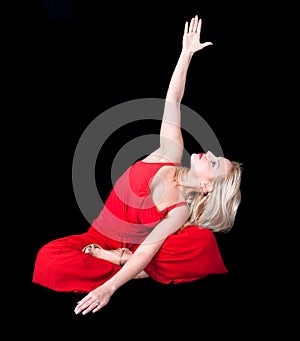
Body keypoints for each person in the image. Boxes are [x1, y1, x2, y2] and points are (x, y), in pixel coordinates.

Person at [32, 15, 242, 315]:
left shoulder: (180, 209)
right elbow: (174, 98)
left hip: (127, 252)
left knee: (194, 244)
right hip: (96, 239)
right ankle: (121, 264)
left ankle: (122, 266)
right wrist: (185, 54)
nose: (208, 153)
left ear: (208, 186)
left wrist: (108, 289)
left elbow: (147, 249)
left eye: (213, 162)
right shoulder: (171, 151)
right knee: (47, 258)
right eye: (214, 154)